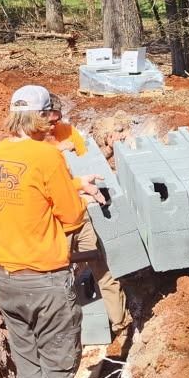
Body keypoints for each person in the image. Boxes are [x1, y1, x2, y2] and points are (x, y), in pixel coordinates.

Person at [0, 85, 101, 378]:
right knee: (58, 368)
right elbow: (71, 220)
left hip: (6, 279)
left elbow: (29, 195)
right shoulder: (48, 155)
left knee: (28, 365)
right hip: (46, 281)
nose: (55, 121)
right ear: (40, 116)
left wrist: (72, 185)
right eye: (51, 114)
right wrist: (81, 195)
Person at [44, 98, 133, 359]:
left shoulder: (68, 131)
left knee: (103, 268)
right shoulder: (31, 145)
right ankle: (63, 338)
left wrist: (109, 148)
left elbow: (88, 165)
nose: (54, 125)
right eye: (49, 121)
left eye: (57, 119)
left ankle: (121, 326)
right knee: (57, 276)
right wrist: (58, 152)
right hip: (53, 221)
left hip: (80, 214)